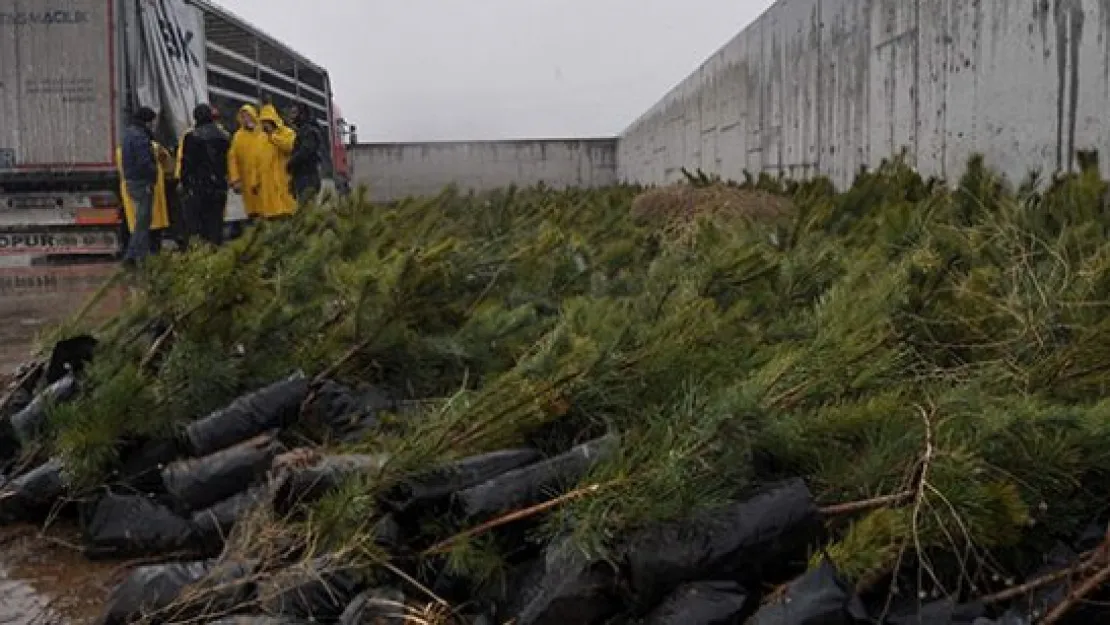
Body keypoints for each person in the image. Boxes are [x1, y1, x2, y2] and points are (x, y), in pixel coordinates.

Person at [178, 103, 231, 245]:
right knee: (216, 220)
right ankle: (216, 248)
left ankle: (202, 251)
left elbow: (187, 163)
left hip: (198, 185)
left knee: (198, 222)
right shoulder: (224, 136)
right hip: (219, 184)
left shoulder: (192, 136)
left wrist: (184, 182)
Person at [116, 136, 171, 257]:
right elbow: (168, 164)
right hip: (152, 191)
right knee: (152, 230)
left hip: (130, 191)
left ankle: (134, 254)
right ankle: (144, 256)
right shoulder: (155, 147)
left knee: (136, 226)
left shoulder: (122, 149)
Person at [119, 107, 159, 265]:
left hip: (131, 181)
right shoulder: (140, 137)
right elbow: (144, 161)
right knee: (143, 221)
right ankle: (134, 255)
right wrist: (153, 173)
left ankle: (138, 254)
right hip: (142, 182)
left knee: (140, 219)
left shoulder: (129, 134)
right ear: (147, 121)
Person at [257, 103, 297, 219]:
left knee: (288, 216)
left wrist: (273, 137)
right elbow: (257, 162)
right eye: (263, 122)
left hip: (285, 183)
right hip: (268, 188)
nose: (265, 125)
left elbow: (290, 146)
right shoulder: (261, 139)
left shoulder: (287, 133)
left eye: (267, 121)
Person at [227, 104, 266, 220]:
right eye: (243, 117)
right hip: (247, 181)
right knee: (252, 211)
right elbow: (232, 159)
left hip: (264, 178)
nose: (246, 119)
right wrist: (235, 179)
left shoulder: (263, 132)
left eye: (248, 116)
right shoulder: (238, 137)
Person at [286, 104, 322, 204]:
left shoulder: (309, 131)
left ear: (302, 114)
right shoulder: (302, 131)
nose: (291, 116)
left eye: (294, 113)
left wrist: (291, 162)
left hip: (307, 178)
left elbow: (306, 151)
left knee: (307, 210)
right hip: (302, 177)